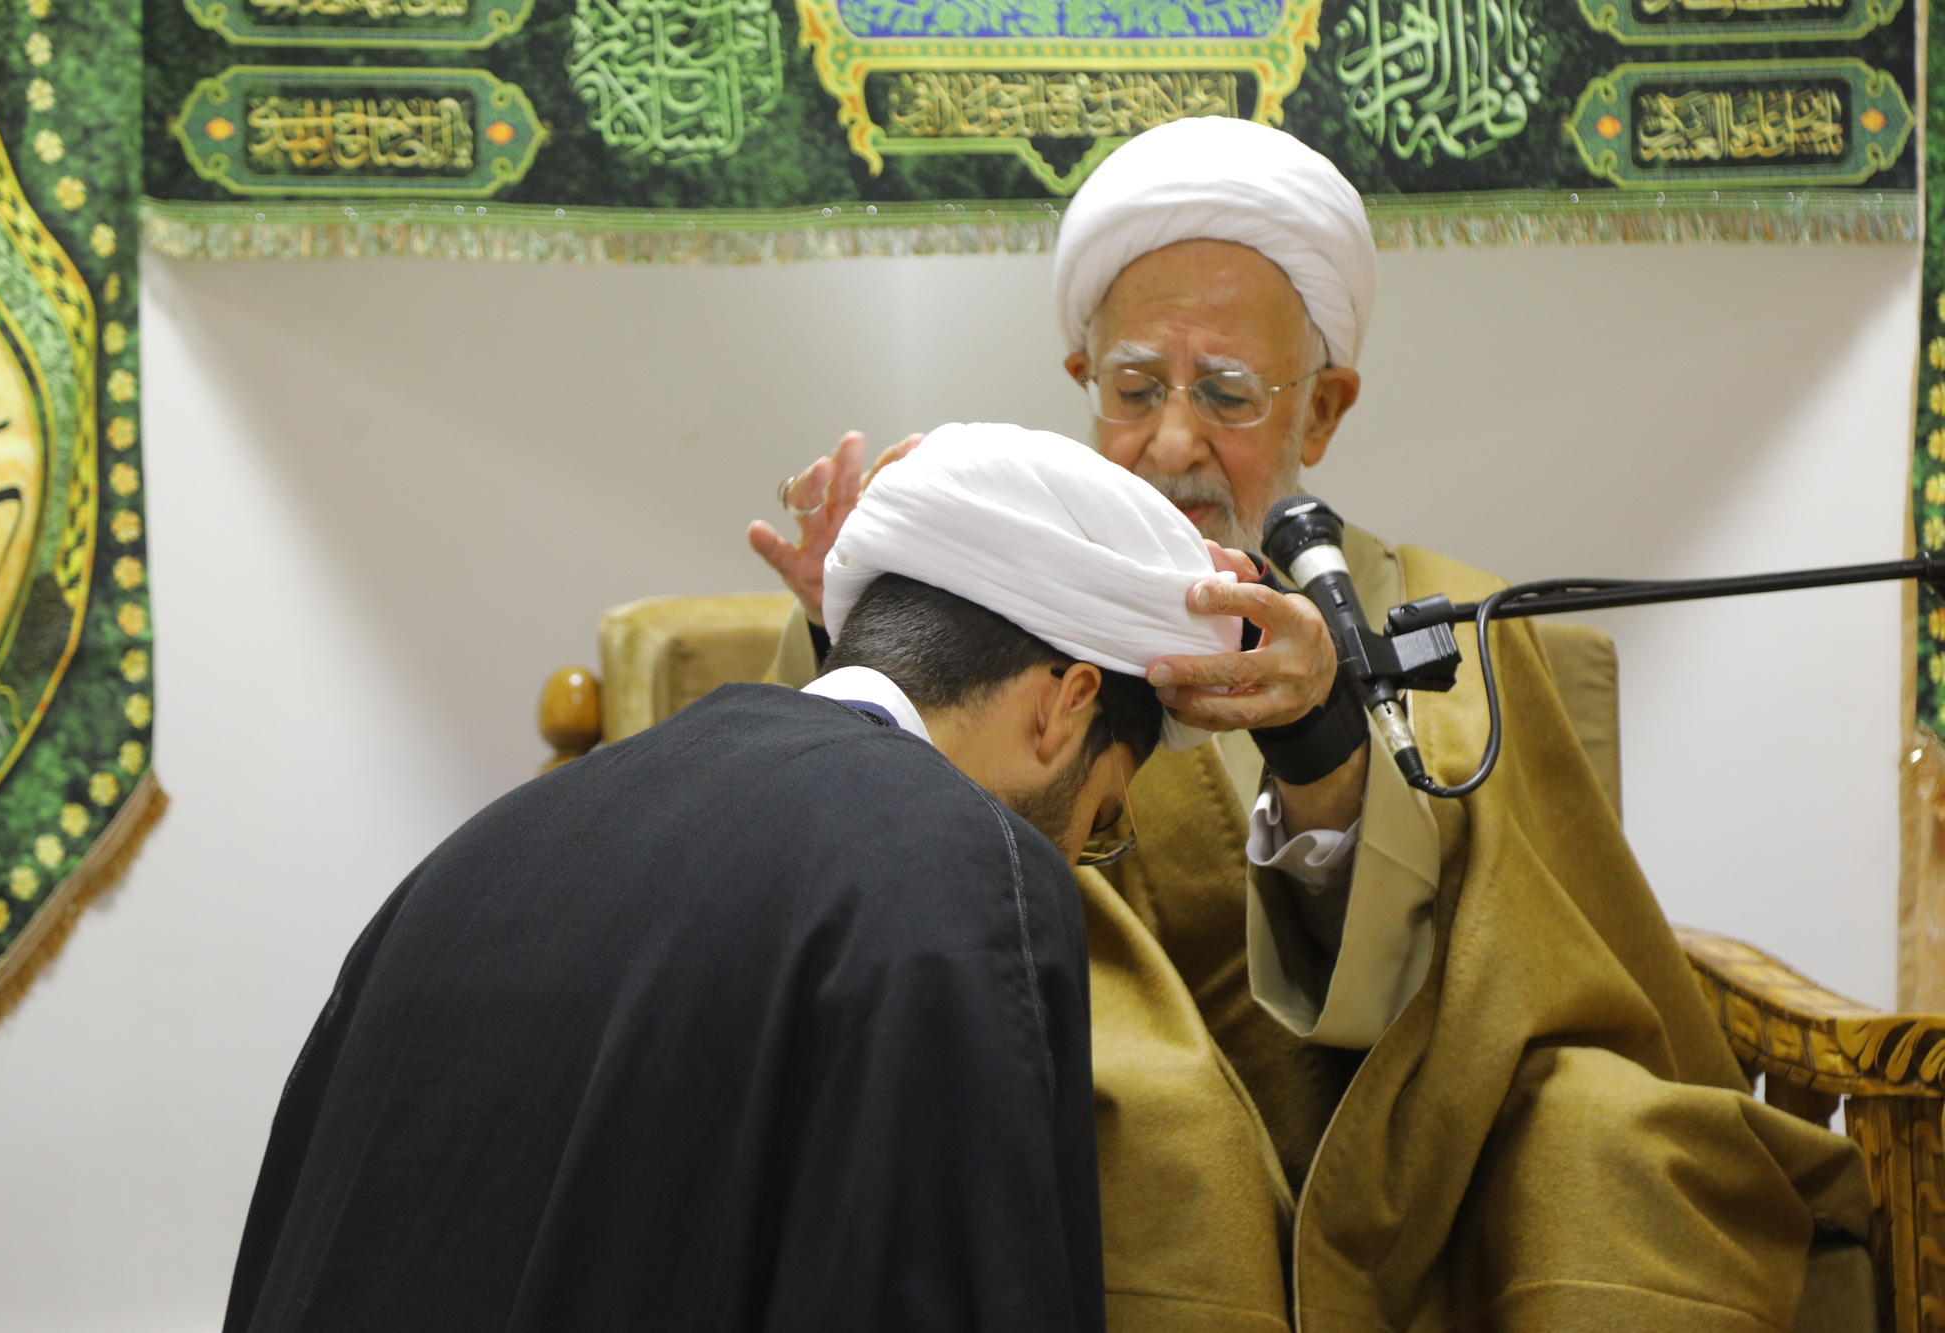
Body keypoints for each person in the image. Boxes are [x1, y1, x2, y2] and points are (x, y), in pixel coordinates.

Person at [751, 118, 1872, 1330]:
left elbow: (1536, 961)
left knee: (1614, 1146)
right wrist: (848, 623)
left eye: (1226, 394)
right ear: (1082, 382)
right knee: (1156, 1128)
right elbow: (837, 860)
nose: (1170, 443)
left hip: (1435, 1152)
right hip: (1109, 1097)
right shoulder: (983, 595)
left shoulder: (1455, 620)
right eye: (1133, 389)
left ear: (1323, 410)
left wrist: (1324, 753)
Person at [223, 423, 1253, 1333]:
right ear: (1066, 705)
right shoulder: (966, 875)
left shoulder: (480, 851)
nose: (1072, 858)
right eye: (1101, 818)